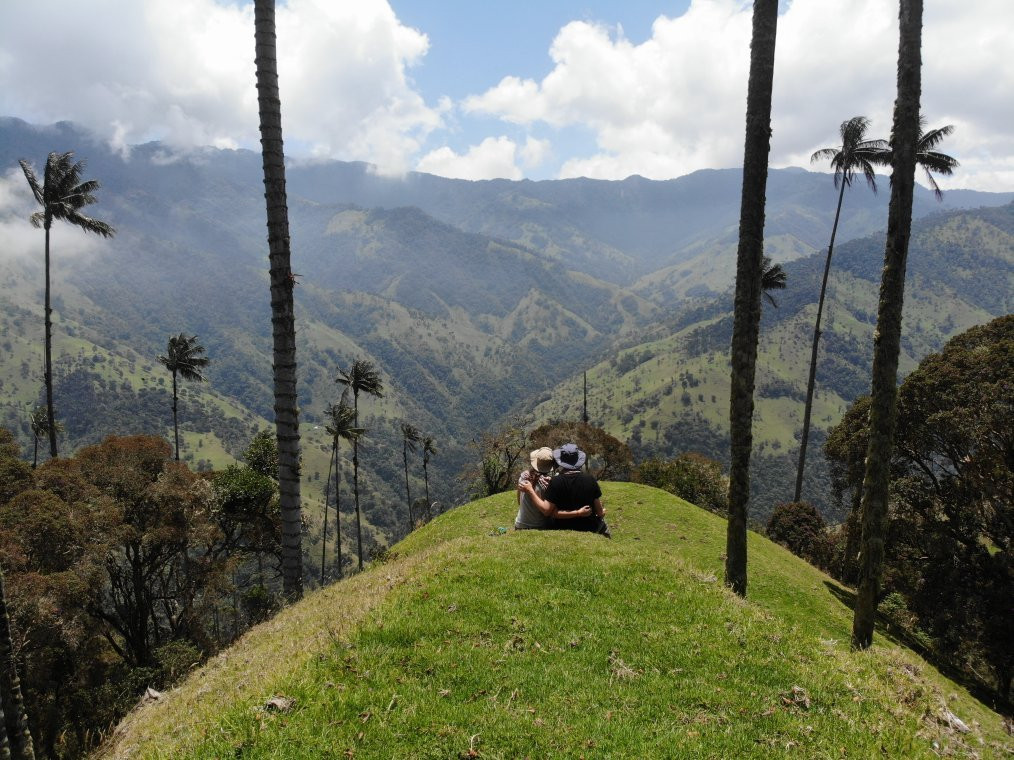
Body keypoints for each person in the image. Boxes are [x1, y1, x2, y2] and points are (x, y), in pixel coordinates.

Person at [520, 442, 610, 537]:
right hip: (588, 527)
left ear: (561, 462)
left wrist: (530, 490)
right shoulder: (590, 480)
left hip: (562, 527)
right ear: (578, 460)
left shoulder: (556, 482)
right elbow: (600, 512)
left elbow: (549, 512)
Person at [515, 446, 591, 530]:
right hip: (539, 525)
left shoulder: (523, 476)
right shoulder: (549, 484)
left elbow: (519, 501)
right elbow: (549, 511)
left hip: (519, 523)